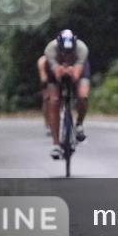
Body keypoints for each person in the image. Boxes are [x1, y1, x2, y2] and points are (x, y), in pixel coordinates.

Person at [38, 29, 91, 159]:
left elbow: (76, 75)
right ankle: (56, 144)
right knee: (53, 101)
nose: (67, 56)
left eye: (70, 53)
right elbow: (56, 73)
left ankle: (79, 124)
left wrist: (71, 71)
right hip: (56, 71)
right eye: (64, 53)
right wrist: (61, 71)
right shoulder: (50, 49)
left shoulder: (82, 48)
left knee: (83, 96)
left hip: (77, 69)